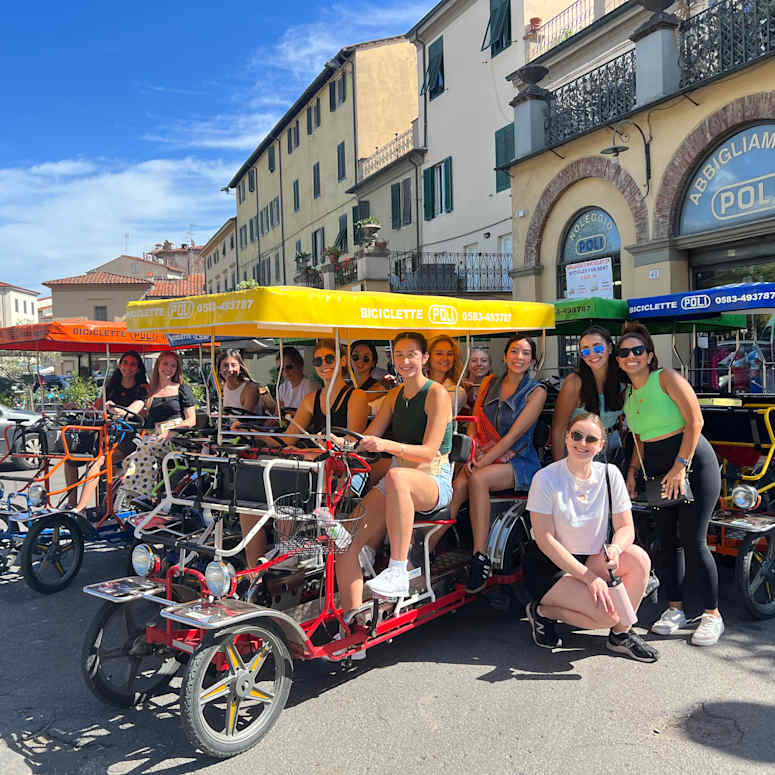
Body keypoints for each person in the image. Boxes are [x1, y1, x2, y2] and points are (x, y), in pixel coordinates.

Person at [617, 322, 724, 646]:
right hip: (656, 468)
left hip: (692, 464)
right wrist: (632, 472)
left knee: (693, 541)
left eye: (638, 350)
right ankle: (675, 609)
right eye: (624, 352)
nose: (631, 356)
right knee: (666, 541)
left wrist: (681, 467)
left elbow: (695, 421)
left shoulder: (666, 378)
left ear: (650, 355)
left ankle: (711, 615)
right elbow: (639, 437)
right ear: (619, 360)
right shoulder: (630, 392)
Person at [525, 412, 659, 661]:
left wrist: (616, 550)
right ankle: (542, 611)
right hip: (551, 565)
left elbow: (625, 527)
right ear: (566, 438)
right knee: (606, 616)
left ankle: (621, 636)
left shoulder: (610, 474)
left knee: (639, 558)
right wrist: (589, 578)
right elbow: (545, 540)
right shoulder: (545, 478)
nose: (582, 443)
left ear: (600, 445)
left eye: (591, 439)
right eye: (576, 435)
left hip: (592, 557)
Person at [336, 331, 453, 604]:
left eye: (411, 354)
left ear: (424, 358)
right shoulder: (395, 394)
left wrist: (386, 445)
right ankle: (352, 626)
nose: (404, 361)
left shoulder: (437, 393)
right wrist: (339, 443)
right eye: (399, 355)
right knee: (345, 546)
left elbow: (428, 452)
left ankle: (398, 569)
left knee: (396, 475)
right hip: (400, 479)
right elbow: (365, 439)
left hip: (433, 478)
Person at [438, 335, 546, 593]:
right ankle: (425, 552)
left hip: (519, 459)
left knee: (478, 478)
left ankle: (480, 555)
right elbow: (475, 421)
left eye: (525, 353)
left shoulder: (536, 391)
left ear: (532, 359)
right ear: (505, 355)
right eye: (514, 352)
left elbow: (515, 435)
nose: (519, 357)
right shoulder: (488, 383)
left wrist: (483, 460)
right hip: (485, 452)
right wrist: (472, 451)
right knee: (459, 484)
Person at [65, 350, 148, 513]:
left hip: (129, 438)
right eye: (125, 363)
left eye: (132, 364)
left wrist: (117, 410)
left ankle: (81, 508)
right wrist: (79, 409)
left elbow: (134, 410)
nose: (128, 367)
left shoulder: (142, 388)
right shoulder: (111, 387)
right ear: (119, 365)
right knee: (70, 458)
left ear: (138, 369)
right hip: (105, 436)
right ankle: (71, 504)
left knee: (97, 461)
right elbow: (95, 411)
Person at [121, 351, 197, 496]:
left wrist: (171, 432)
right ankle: (136, 494)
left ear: (177, 369)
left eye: (173, 365)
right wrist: (118, 411)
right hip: (155, 434)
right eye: (165, 364)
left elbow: (191, 420)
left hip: (177, 433)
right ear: (158, 366)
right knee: (130, 458)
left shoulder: (181, 389)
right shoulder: (150, 391)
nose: (168, 368)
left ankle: (141, 494)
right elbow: (134, 409)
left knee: (145, 451)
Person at [551, 326, 624, 463]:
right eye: (585, 350)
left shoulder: (621, 379)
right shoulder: (575, 382)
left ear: (609, 348)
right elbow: (558, 428)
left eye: (597, 348)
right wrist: (558, 470)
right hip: (581, 447)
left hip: (613, 446)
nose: (592, 354)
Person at [217, 349, 276, 415]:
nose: (230, 369)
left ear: (240, 367)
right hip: (233, 425)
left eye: (233, 365)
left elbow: (245, 418)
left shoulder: (250, 388)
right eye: (225, 365)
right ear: (219, 369)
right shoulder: (225, 386)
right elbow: (228, 413)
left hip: (250, 425)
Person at [426, 335, 466, 415]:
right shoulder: (415, 383)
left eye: (450, 354)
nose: (445, 358)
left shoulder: (456, 392)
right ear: (427, 356)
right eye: (439, 353)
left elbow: (434, 414)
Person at [275, 346, 314, 413]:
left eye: (289, 367)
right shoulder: (282, 388)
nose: (285, 372)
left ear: (300, 365)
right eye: (280, 369)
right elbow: (277, 414)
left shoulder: (310, 386)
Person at [461, 347, 492, 413]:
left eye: (484, 360)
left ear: (490, 366)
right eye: (474, 361)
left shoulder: (495, 387)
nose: (479, 364)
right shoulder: (460, 386)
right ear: (467, 365)